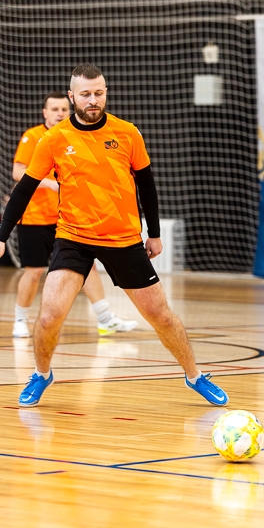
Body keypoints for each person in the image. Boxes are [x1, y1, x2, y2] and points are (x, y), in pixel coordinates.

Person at [0, 64, 228, 408]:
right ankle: (41, 373)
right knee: (49, 316)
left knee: (161, 316)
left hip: (123, 238)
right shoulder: (54, 139)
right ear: (72, 96)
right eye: (86, 94)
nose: (93, 100)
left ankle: (195, 375)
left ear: (105, 92)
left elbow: (146, 184)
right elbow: (24, 189)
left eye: (99, 93)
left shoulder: (127, 133)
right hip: (73, 237)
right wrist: (2, 235)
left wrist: (154, 233)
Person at [10, 91, 139, 339]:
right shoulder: (34, 137)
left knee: (87, 268)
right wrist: (51, 184)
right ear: (45, 112)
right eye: (54, 109)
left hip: (69, 220)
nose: (60, 113)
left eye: (63, 109)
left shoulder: (75, 136)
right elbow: (18, 172)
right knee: (34, 271)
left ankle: (106, 319)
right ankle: (20, 320)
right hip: (36, 217)